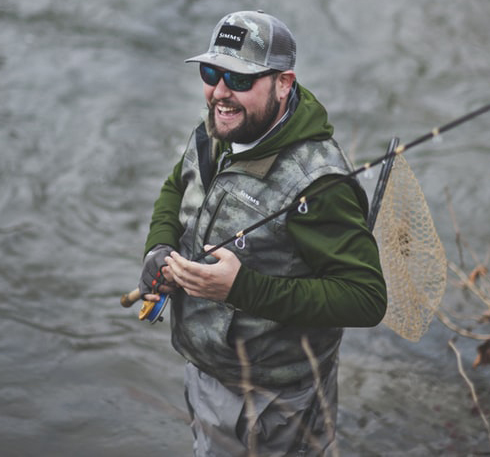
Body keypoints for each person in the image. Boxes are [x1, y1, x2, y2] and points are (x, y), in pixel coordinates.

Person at [138, 10, 387, 456]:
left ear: (284, 83)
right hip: (207, 369)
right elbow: (177, 186)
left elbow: (366, 298)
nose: (219, 92)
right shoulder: (220, 126)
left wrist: (242, 288)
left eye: (239, 79)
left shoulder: (320, 184)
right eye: (211, 72)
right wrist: (159, 247)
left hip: (274, 402)